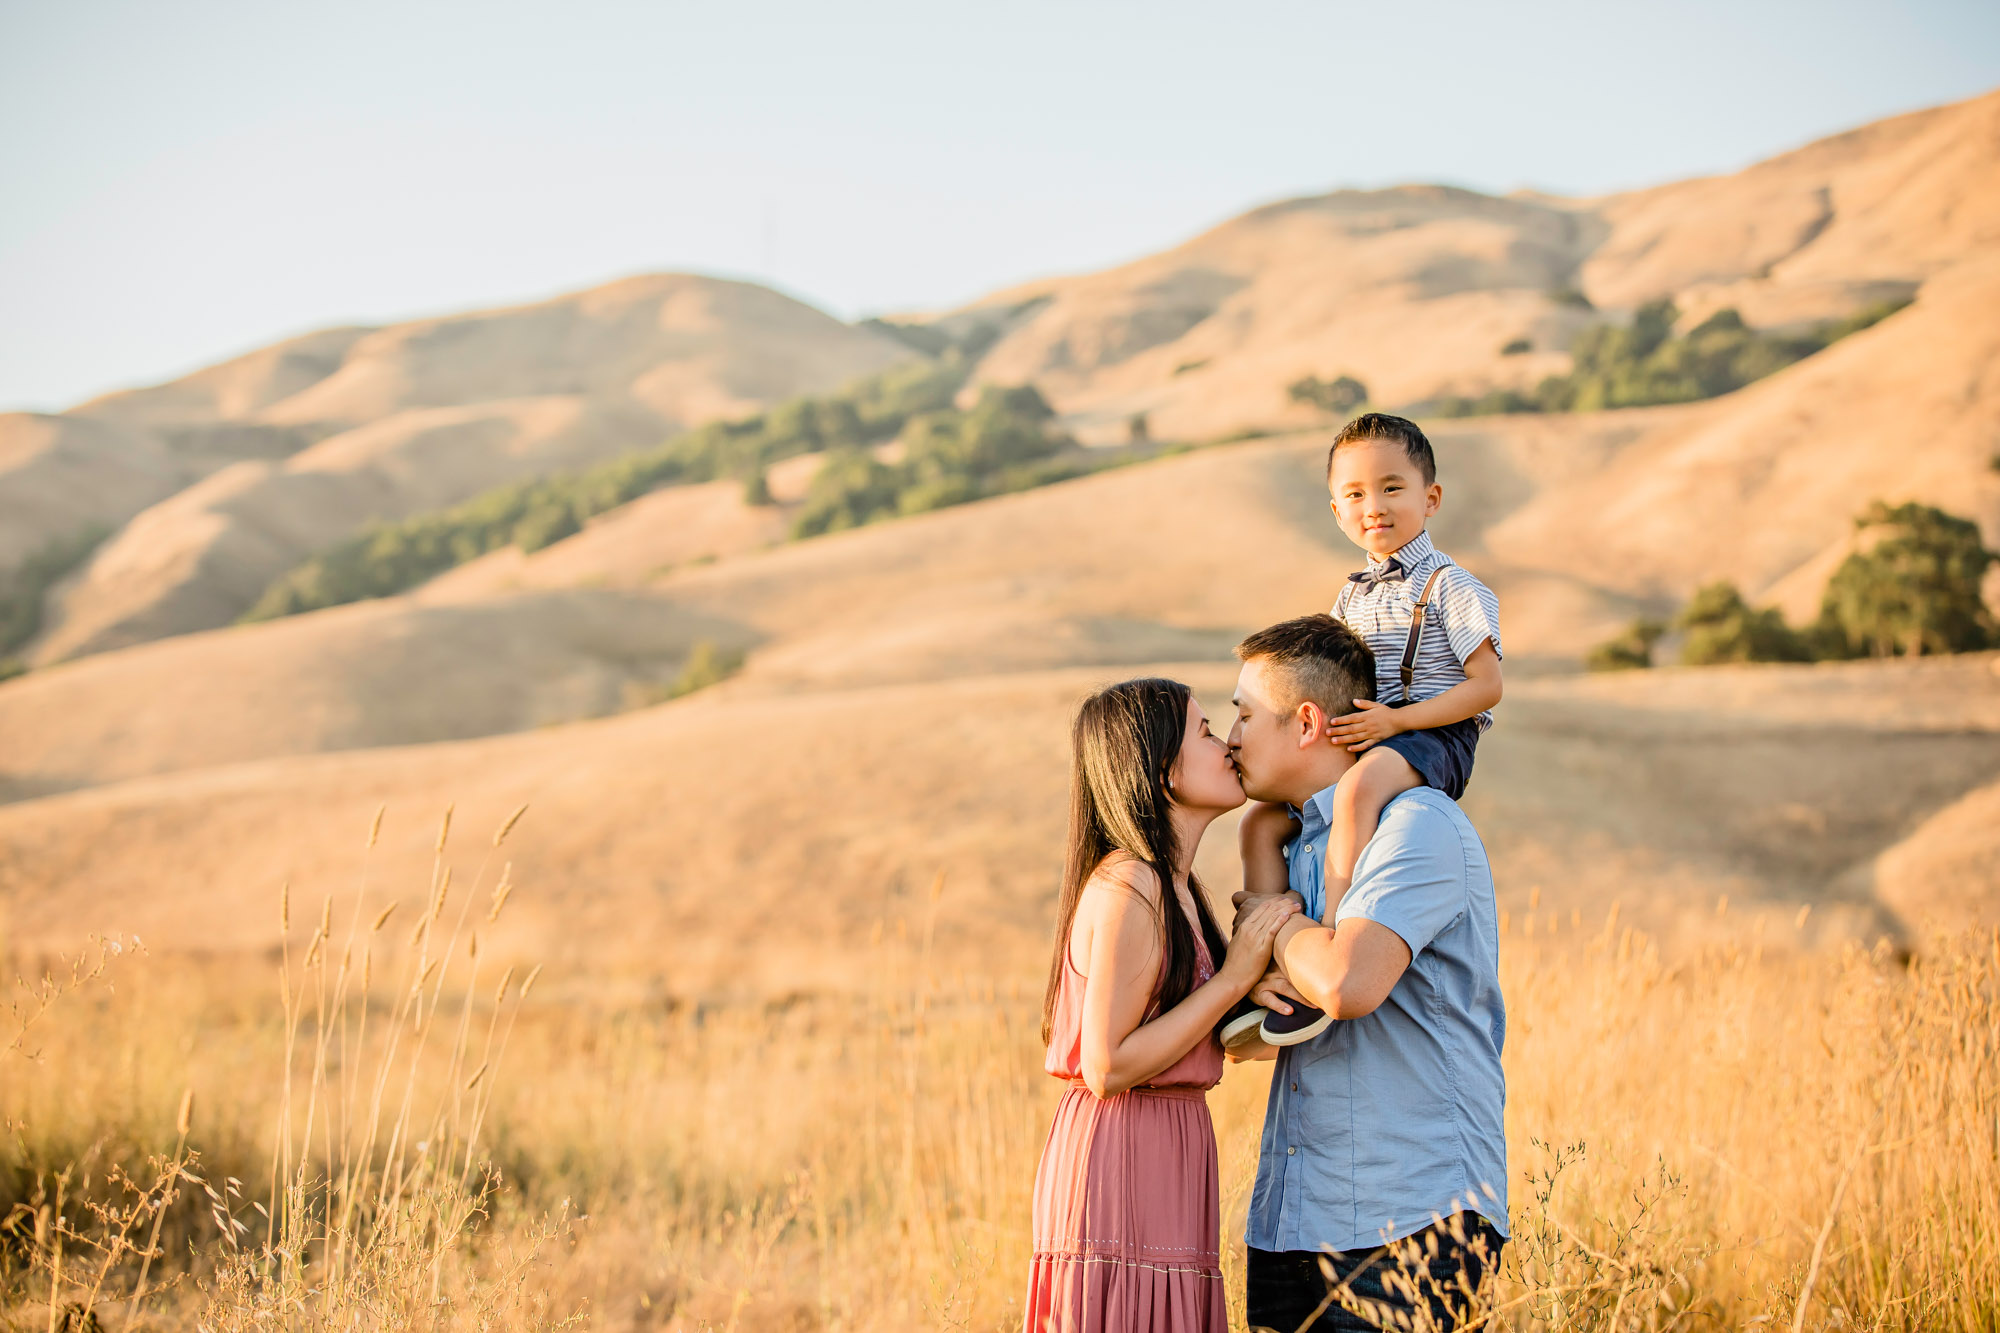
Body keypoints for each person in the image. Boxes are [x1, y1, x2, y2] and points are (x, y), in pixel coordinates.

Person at [1225, 615, 1508, 1332]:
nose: (1230, 734)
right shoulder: (1291, 846)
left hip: (1410, 1220)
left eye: (1245, 713)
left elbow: (1346, 983)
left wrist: (1271, 920)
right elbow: (1252, 1038)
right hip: (1291, 1223)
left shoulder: (1417, 825)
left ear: (1308, 722)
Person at [1024, 677, 1300, 1333]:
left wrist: (1243, 996)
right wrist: (1231, 981)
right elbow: (1108, 1063)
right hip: (1122, 1157)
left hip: (1168, 1148)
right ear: (1164, 770)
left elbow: (1178, 1024)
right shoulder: (1132, 884)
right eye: (1204, 731)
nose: (1227, 743)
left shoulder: (1175, 885)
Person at [1227, 413, 1504, 1047]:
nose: (1372, 506)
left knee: (1353, 796)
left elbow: (1487, 687)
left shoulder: (1451, 587)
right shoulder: (1350, 596)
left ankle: (1327, 929)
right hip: (1373, 732)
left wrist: (1396, 722)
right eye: (1354, 494)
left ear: (1430, 499)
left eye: (1391, 488)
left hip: (1435, 733)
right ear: (1335, 510)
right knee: (1263, 821)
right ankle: (1264, 968)